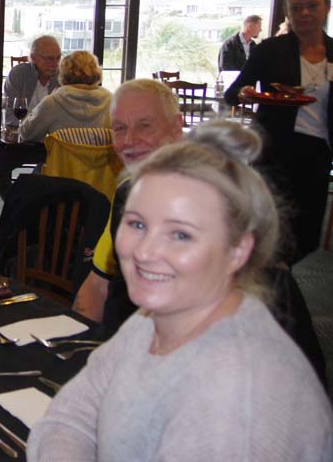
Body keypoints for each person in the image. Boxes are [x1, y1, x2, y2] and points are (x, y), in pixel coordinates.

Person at [28, 122, 333, 460]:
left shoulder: (239, 398)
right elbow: (69, 417)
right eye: (138, 224)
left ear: (238, 250)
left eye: (181, 234)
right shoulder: (151, 322)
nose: (145, 252)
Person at [225, 0, 333, 264]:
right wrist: (245, 94)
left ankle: (284, 274)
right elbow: (233, 93)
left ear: (327, 7)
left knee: (306, 232)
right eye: (296, 8)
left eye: (312, 6)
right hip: (273, 149)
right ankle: (266, 278)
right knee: (266, 229)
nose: (304, 13)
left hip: (317, 153)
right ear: (288, 12)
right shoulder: (271, 49)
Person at [72, 79, 183, 327]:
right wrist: (76, 342)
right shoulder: (129, 193)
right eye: (120, 128)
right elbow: (97, 285)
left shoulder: (211, 202)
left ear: (177, 127)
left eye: (145, 126)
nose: (129, 140)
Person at [18, 50, 111, 142]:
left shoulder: (54, 101)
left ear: (63, 73)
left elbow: (26, 133)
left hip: (62, 153)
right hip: (101, 153)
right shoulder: (111, 101)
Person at [2, 34, 61, 124]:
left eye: (58, 58)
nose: (55, 64)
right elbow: (10, 114)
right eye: (49, 59)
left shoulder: (61, 78)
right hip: (22, 130)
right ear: (34, 58)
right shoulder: (19, 75)